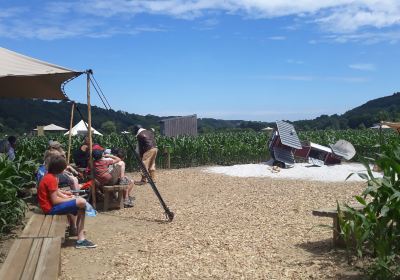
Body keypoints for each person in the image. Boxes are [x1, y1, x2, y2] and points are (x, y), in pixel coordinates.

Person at [37, 155, 96, 249]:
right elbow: (55, 201)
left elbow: (56, 191)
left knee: (81, 206)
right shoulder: (51, 179)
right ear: (60, 169)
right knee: (81, 202)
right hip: (50, 209)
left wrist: (67, 195)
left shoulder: (50, 176)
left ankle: (80, 238)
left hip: (50, 207)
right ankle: (80, 239)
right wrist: (72, 199)